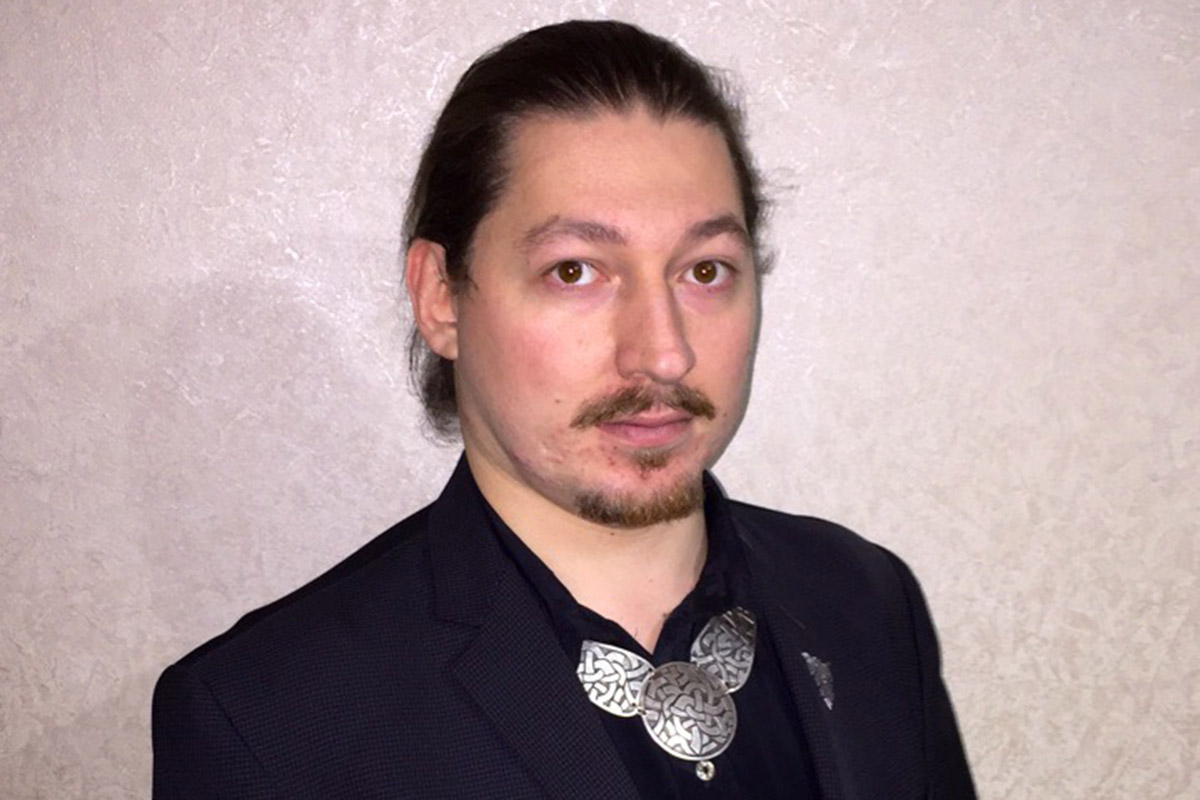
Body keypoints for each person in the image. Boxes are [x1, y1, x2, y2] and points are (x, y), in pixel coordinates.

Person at [152, 20, 976, 799]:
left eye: (705, 270)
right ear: (441, 297)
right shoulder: (269, 721)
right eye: (575, 271)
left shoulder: (866, 599)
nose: (663, 354)